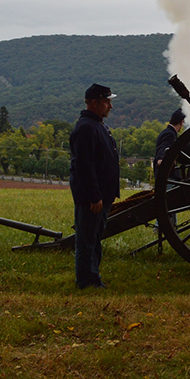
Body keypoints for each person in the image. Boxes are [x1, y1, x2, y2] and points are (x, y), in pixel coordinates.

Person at [69, 83, 120, 289]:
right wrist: (94, 196)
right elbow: (84, 166)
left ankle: (93, 277)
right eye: (107, 101)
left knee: (95, 238)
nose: (110, 106)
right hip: (92, 197)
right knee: (87, 239)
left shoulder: (97, 125)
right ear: (94, 103)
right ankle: (85, 280)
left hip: (102, 195)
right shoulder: (86, 128)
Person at [155, 108, 186, 179]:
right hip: (168, 176)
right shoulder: (169, 134)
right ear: (181, 122)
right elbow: (164, 147)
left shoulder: (169, 132)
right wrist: (161, 159)